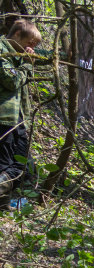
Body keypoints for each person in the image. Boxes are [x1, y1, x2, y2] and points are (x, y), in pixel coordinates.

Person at [0, 18, 40, 212]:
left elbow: (46, 55)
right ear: (17, 34)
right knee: (6, 163)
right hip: (3, 117)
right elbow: (11, 80)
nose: (31, 48)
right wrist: (28, 65)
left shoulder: (17, 53)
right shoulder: (2, 50)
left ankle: (3, 202)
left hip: (17, 117)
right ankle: (2, 203)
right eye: (29, 43)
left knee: (24, 165)